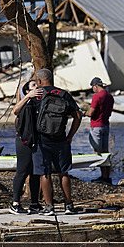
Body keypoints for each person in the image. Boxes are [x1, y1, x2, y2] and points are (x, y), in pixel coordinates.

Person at [32, 68, 83, 216]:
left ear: (40, 81)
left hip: (41, 141)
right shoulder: (63, 94)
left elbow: (22, 115)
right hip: (61, 140)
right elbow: (78, 116)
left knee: (45, 174)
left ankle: (49, 207)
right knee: (63, 173)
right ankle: (68, 205)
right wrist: (70, 136)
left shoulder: (37, 95)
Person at [9, 79, 44, 214]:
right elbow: (15, 110)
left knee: (35, 173)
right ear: (27, 91)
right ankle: (15, 203)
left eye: (37, 84)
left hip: (36, 141)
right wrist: (28, 96)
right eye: (33, 85)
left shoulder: (40, 102)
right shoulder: (26, 102)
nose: (37, 87)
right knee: (22, 172)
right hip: (23, 142)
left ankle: (34, 203)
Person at [85, 77, 114, 184]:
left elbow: (91, 113)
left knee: (98, 152)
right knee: (105, 152)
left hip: (96, 126)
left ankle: (103, 177)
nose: (92, 89)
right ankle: (106, 176)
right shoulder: (110, 96)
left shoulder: (97, 96)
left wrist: (84, 113)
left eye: (92, 87)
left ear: (95, 86)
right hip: (106, 125)